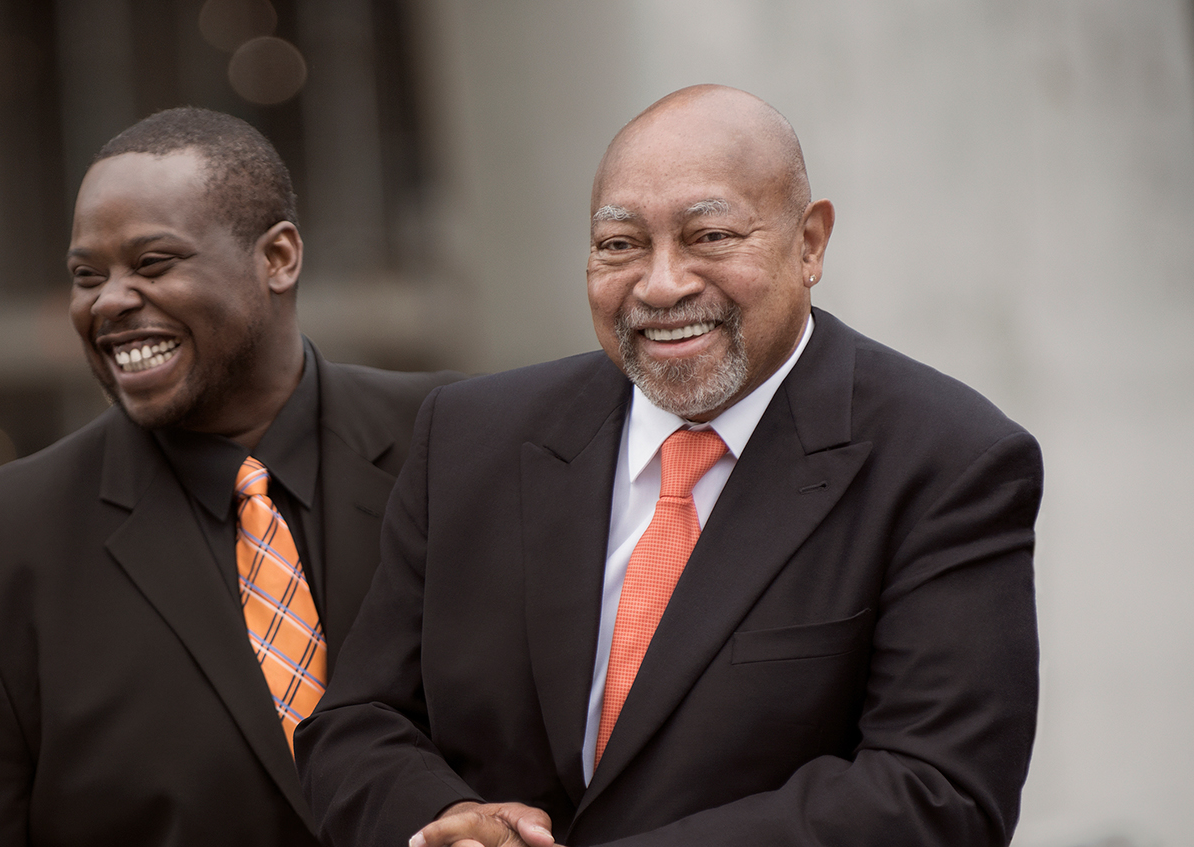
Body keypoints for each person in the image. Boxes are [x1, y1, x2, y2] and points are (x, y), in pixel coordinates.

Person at [295, 84, 1043, 847]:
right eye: (619, 245)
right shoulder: (471, 435)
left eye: (709, 236)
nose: (660, 285)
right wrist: (447, 824)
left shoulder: (948, 459)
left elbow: (938, 792)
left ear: (810, 243)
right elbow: (360, 722)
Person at [0, 107, 461, 847]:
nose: (108, 300)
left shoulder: (463, 449)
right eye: (86, 275)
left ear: (279, 257)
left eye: (153, 262)